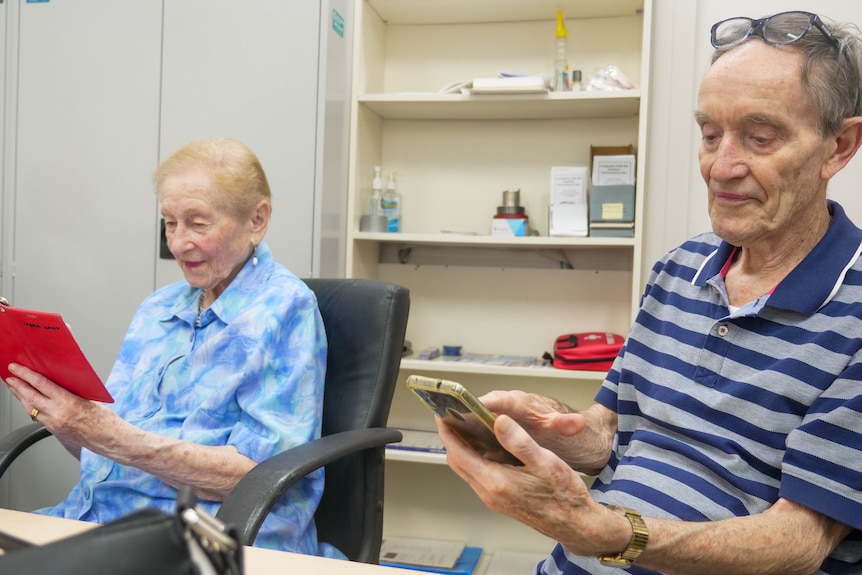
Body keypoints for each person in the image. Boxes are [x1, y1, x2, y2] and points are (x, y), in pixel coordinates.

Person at [437, 11, 862, 575]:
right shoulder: (679, 269)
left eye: (761, 138)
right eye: (710, 135)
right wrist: (539, 433)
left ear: (840, 146)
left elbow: (802, 540)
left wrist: (612, 534)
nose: (722, 166)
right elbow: (612, 435)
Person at [3, 137, 339, 557]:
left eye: (198, 223)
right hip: (95, 519)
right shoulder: (157, 308)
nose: (178, 243)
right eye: (170, 222)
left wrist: (114, 438)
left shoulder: (284, 310)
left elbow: (258, 478)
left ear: (257, 219)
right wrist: (63, 414)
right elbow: (105, 452)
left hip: (203, 541)